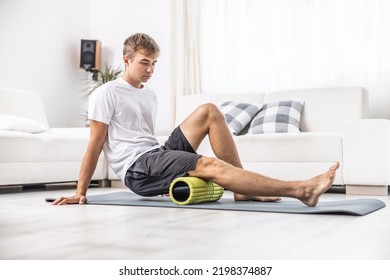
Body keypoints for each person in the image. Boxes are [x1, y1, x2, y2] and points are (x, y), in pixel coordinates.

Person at [53, 33, 339, 207]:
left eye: (154, 64)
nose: (150, 69)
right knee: (207, 163)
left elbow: (146, 138)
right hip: (136, 168)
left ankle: (241, 191)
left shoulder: (149, 95)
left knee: (209, 110)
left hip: (154, 154)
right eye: (144, 62)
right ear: (126, 59)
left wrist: (165, 168)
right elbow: (94, 145)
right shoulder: (106, 92)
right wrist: (80, 192)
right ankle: (300, 189)